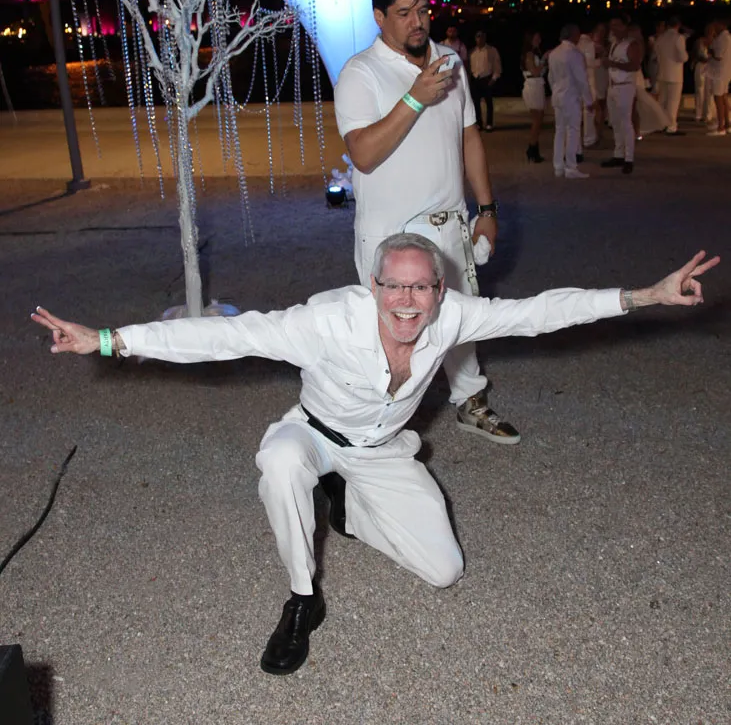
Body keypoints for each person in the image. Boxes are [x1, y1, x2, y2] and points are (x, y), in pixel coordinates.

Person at [31, 237, 719, 676]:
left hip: (380, 449)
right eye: (394, 286)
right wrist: (109, 341)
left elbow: (540, 311)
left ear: (439, 290)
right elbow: (224, 338)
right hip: (312, 432)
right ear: (372, 285)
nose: (407, 301)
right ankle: (303, 600)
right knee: (282, 465)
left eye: (421, 287)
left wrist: (644, 295)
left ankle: (349, 508)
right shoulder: (326, 321)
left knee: (444, 571)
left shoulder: (454, 316)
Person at [333, 0, 519, 448]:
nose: (417, 22)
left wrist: (487, 209)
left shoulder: (449, 60)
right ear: (379, 17)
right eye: (403, 13)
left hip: (450, 221)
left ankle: (470, 400)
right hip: (391, 233)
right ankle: (374, 427)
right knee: (389, 330)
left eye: (422, 10)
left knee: (462, 316)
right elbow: (363, 154)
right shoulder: (360, 73)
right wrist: (415, 97)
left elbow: (469, 136)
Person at [547, 24, 593, 179]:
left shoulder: (554, 53)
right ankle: (571, 166)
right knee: (573, 131)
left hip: (558, 96)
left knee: (559, 131)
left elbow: (551, 77)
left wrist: (555, 91)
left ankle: (558, 166)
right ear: (573, 35)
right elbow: (582, 80)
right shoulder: (574, 54)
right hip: (571, 96)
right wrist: (588, 100)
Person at [601, 14, 643, 175]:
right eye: (612, 25)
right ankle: (618, 154)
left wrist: (613, 64)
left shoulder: (631, 44)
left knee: (626, 122)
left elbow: (634, 65)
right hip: (613, 86)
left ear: (625, 26)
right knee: (615, 121)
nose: (614, 29)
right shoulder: (614, 43)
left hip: (625, 87)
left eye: (617, 25)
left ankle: (629, 158)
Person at [629, 23, 669, 138]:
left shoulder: (638, 45)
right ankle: (636, 130)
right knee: (636, 104)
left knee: (637, 104)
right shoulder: (635, 44)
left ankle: (637, 130)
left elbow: (637, 62)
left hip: (634, 76)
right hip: (634, 75)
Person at [653, 16, 689, 134]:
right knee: (673, 102)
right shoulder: (678, 38)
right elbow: (683, 57)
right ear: (678, 25)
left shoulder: (660, 38)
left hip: (662, 73)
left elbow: (656, 53)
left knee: (662, 101)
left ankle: (660, 124)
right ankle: (671, 126)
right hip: (675, 74)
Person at [521, 30, 547, 162]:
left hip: (537, 84)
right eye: (536, 38)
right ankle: (532, 148)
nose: (539, 40)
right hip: (533, 85)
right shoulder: (529, 54)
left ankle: (534, 148)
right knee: (537, 120)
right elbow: (535, 71)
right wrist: (544, 61)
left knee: (538, 120)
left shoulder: (535, 52)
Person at [468, 29, 502, 131]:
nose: (480, 39)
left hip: (486, 78)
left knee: (489, 103)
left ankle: (489, 123)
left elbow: (497, 65)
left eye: (482, 36)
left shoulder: (491, 50)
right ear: (475, 38)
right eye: (478, 36)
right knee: (476, 103)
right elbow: (469, 66)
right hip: (475, 79)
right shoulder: (472, 52)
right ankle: (479, 123)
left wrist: (494, 78)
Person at [707, 17, 731, 136]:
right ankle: (727, 124)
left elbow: (718, 56)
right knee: (723, 98)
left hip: (719, 73)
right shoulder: (725, 37)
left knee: (719, 99)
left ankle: (721, 127)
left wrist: (710, 50)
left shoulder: (723, 38)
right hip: (723, 72)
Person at [692, 29, 714, 125]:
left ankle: (708, 115)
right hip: (700, 66)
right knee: (699, 90)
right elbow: (695, 54)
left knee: (709, 92)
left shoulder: (715, 42)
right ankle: (698, 114)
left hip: (711, 68)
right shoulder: (699, 41)